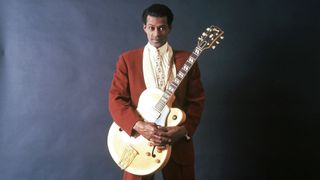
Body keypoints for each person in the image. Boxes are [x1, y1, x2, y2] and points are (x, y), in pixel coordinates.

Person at [109, 3, 205, 180]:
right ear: (144, 27)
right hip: (138, 143)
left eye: (161, 28)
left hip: (177, 143)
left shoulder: (187, 60)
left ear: (169, 28)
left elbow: (196, 101)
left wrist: (183, 130)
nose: (156, 34)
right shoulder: (128, 60)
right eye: (151, 28)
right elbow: (116, 99)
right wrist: (139, 126)